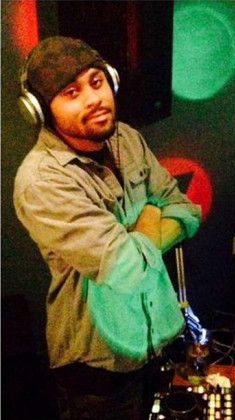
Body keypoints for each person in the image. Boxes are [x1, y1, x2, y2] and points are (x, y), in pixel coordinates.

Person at [13, 36, 201, 420]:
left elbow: (187, 211)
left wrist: (141, 233)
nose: (94, 99)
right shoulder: (41, 181)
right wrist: (153, 209)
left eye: (97, 82)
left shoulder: (126, 138)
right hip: (98, 370)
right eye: (72, 92)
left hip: (156, 344)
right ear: (40, 110)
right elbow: (129, 269)